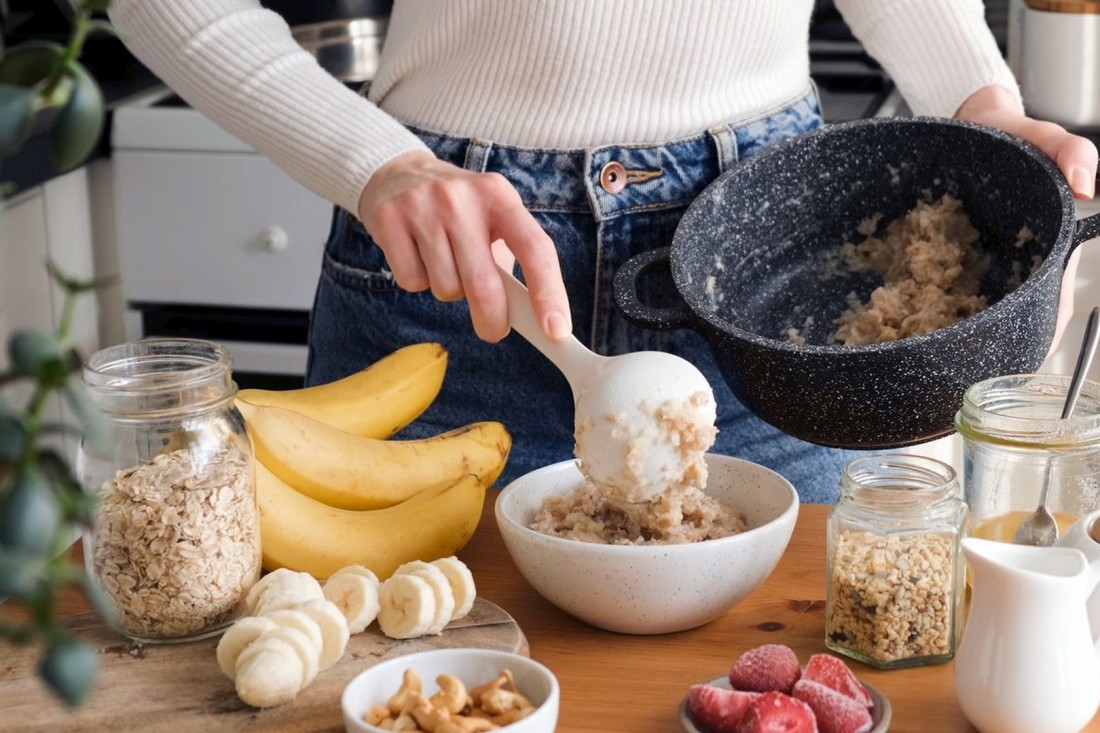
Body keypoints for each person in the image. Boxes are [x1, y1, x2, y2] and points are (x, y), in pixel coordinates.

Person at [109, 1, 1098, 503]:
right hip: (450, 268)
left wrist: (980, 104)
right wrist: (372, 164)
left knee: (785, 685)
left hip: (764, 274)